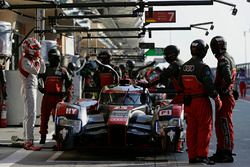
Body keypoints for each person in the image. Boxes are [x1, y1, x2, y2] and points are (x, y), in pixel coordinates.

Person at [179, 39, 222, 165]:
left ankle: (192, 156)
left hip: (188, 102)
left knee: (191, 129)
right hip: (201, 102)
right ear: (203, 51)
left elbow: (181, 85)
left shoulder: (184, 67)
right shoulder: (203, 67)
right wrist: (217, 98)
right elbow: (209, 86)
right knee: (205, 128)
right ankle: (202, 155)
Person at [209, 36, 237, 163]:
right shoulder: (229, 57)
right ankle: (221, 151)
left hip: (225, 97)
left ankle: (226, 153)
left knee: (224, 124)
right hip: (226, 96)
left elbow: (227, 77)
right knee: (221, 124)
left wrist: (220, 90)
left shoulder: (222, 59)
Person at [38, 47, 73, 144]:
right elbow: (36, 77)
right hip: (47, 96)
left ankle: (59, 136)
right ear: (49, 58)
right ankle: (43, 137)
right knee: (44, 118)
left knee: (60, 119)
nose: (55, 60)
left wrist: (66, 93)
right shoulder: (45, 69)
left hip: (58, 98)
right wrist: (40, 87)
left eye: (57, 58)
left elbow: (69, 82)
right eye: (53, 58)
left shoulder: (63, 71)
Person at [18, 37, 46, 151]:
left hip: (32, 88)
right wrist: (38, 60)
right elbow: (36, 71)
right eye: (35, 48)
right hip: (28, 87)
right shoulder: (24, 60)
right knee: (31, 115)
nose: (37, 50)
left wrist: (40, 59)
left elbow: (43, 70)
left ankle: (27, 139)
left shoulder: (32, 58)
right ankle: (29, 141)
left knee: (29, 115)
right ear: (28, 48)